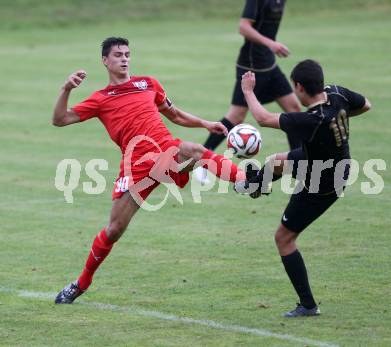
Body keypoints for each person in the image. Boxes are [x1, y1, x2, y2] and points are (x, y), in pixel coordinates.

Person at [52, 37, 246, 304]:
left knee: (195, 151)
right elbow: (60, 120)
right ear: (105, 61)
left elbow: (175, 115)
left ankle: (246, 180)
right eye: (118, 54)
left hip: (166, 151)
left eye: (127, 54)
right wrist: (66, 89)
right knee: (113, 230)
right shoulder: (100, 99)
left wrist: (205, 123)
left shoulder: (148, 84)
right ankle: (80, 284)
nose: (124, 58)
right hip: (136, 166)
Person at [237, 59, 371, 317]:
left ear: (298, 87)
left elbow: (263, 118)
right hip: (330, 161)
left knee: (284, 239)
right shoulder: (337, 94)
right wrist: (339, 120)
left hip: (323, 182)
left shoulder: (312, 120)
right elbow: (366, 104)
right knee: (277, 161)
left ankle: (308, 305)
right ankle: (256, 185)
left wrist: (248, 91)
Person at [194, 0, 301, 185]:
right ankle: (203, 160)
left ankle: (299, 164)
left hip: (270, 66)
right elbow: (243, 27)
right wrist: (271, 44)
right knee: (236, 116)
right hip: (250, 66)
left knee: (294, 109)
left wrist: (270, 47)